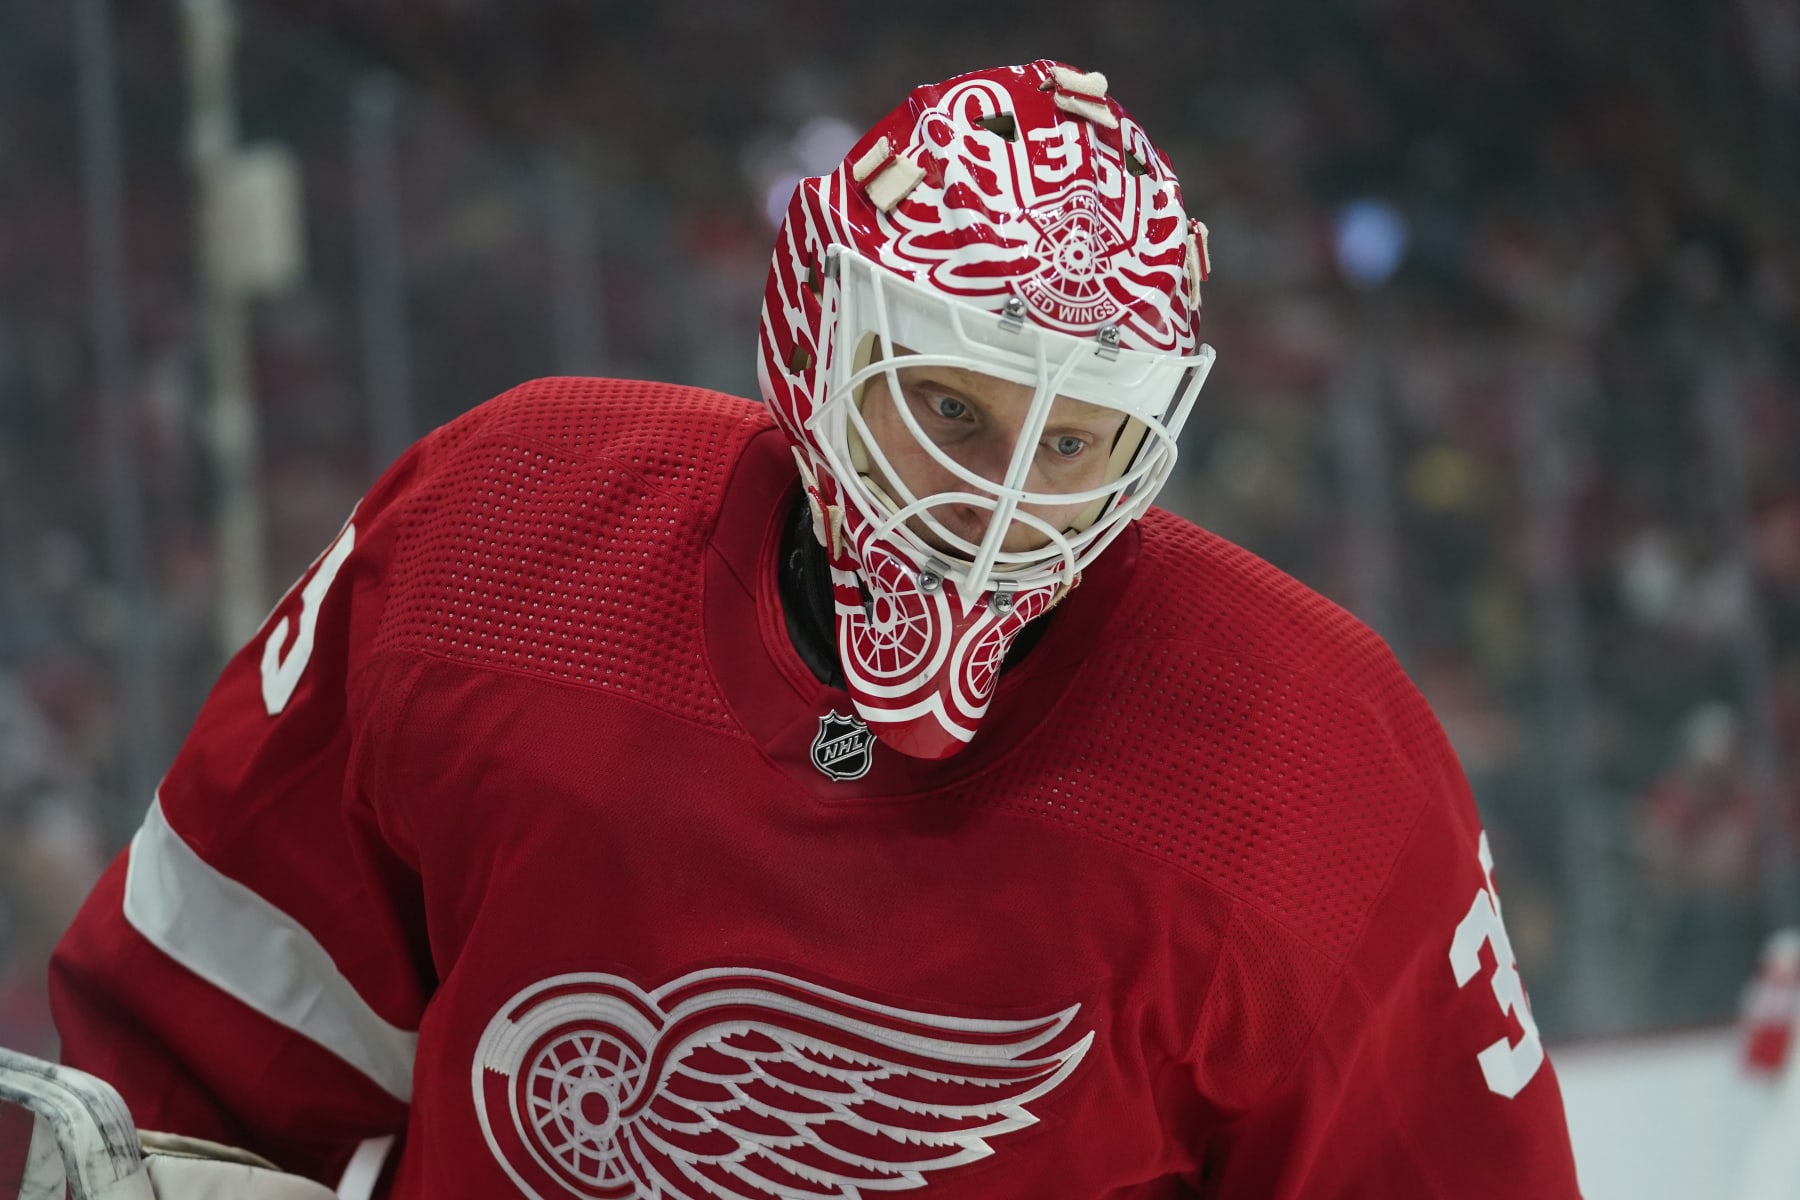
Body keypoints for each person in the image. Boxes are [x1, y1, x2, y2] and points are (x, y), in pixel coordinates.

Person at [42, 61, 1580, 1198]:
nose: (997, 504)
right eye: (954, 407)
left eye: (1072, 442)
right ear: (817, 337)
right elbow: (194, 1067)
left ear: (1154, 441)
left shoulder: (1318, 765)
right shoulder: (499, 535)